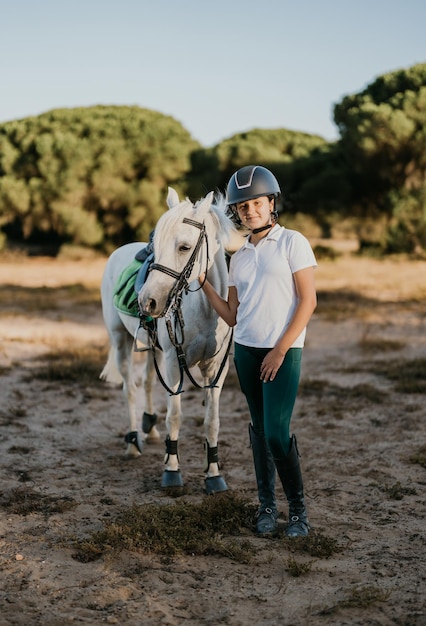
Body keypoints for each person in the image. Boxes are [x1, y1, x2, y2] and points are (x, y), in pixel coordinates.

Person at [199, 165, 317, 538]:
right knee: (260, 430)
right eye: (242, 207)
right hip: (246, 352)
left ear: (271, 203)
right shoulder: (240, 257)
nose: (249, 211)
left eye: (256, 203)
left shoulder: (292, 242)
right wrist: (204, 283)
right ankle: (267, 506)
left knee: (279, 434)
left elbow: (308, 301)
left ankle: (298, 512)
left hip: (281, 352)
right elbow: (232, 315)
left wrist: (280, 350)